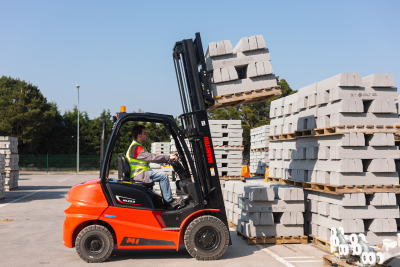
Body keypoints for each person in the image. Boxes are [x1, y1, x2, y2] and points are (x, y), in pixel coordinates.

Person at [126, 125, 181, 209]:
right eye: (145, 133)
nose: (147, 135)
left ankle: (167, 200)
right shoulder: (136, 148)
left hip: (140, 173)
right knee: (163, 176)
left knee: (161, 175)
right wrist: (168, 158)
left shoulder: (137, 146)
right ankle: (169, 202)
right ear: (139, 135)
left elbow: (149, 158)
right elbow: (152, 157)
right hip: (139, 174)